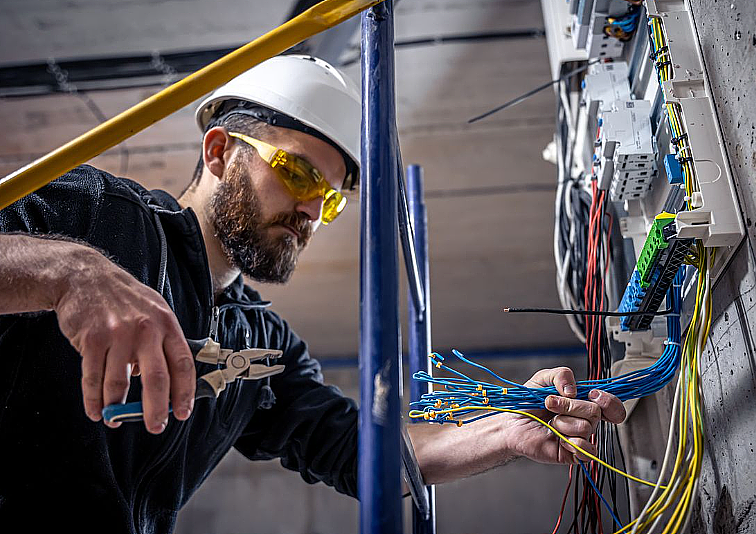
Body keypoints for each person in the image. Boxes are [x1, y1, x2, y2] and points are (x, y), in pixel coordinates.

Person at [0, 55, 625, 532]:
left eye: (328, 199)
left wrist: (506, 430)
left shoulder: (263, 348)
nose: (309, 211)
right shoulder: (99, 216)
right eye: (297, 172)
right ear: (220, 153)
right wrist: (69, 270)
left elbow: (361, 452)